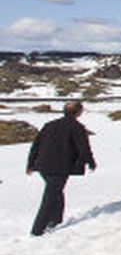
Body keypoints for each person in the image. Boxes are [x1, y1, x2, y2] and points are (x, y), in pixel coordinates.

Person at [26, 100, 96, 236]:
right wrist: (90, 162)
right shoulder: (77, 127)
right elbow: (84, 148)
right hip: (60, 167)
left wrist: (30, 164)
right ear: (79, 112)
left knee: (55, 191)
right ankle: (37, 230)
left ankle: (55, 219)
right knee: (50, 196)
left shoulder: (49, 125)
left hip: (43, 166)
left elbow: (36, 145)